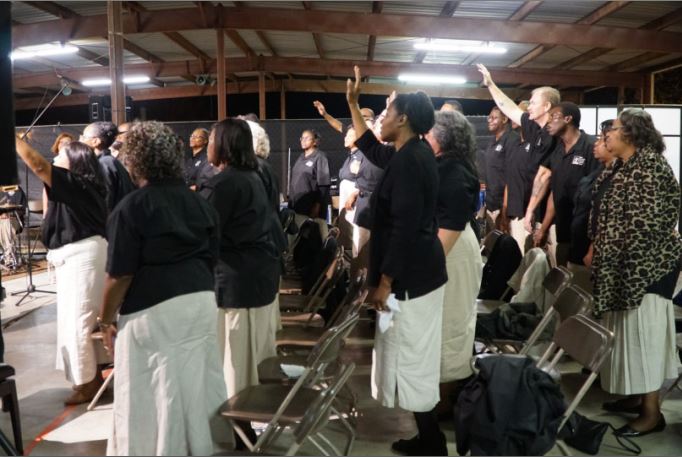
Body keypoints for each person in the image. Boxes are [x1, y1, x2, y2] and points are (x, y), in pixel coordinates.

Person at [97, 121, 228, 455]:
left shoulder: (132, 207)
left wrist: (104, 319)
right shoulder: (201, 203)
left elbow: (120, 275)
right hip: (200, 301)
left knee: (153, 388)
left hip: (154, 310)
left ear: (134, 160)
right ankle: (198, 447)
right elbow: (213, 258)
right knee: (194, 384)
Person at [348, 66, 448, 455]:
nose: (381, 119)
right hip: (416, 274)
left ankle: (433, 442)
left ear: (403, 119)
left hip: (412, 278)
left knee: (413, 357)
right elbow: (370, 147)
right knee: (410, 355)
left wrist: (385, 281)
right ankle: (428, 437)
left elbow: (405, 228)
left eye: (387, 112)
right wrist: (353, 104)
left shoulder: (410, 161)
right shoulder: (408, 152)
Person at [592, 109, 681, 438]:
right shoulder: (622, 166)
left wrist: (622, 267)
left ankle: (651, 413)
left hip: (646, 270)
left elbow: (648, 227)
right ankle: (636, 395)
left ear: (630, 133)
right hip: (623, 267)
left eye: (614, 129)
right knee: (628, 335)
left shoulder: (650, 166)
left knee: (645, 336)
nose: (607, 134)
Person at [200, 118, 281, 448]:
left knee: (233, 361)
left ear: (224, 144)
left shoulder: (225, 183)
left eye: (211, 139)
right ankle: (241, 425)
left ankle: (238, 429)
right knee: (244, 361)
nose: (207, 145)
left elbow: (205, 233)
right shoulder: (250, 176)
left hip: (236, 284)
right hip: (254, 277)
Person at [15, 136, 107, 405]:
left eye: (61, 155)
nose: (54, 159)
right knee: (75, 321)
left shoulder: (78, 183)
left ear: (75, 162)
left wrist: (13, 137)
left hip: (82, 257)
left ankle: (87, 383)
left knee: (79, 321)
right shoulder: (77, 186)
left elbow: (38, 165)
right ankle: (88, 377)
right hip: (76, 257)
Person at [423, 110, 483, 437]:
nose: (424, 136)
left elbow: (452, 219)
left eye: (429, 132)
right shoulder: (447, 164)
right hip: (448, 244)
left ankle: (446, 401)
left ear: (443, 136)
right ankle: (442, 399)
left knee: (451, 322)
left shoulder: (453, 169)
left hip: (453, 248)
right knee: (444, 321)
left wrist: (430, 259)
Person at [478, 64, 560, 263]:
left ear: (546, 107)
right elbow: (510, 108)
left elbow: (545, 177)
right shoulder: (534, 128)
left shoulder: (553, 135)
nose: (528, 106)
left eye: (533, 103)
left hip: (548, 217)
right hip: (528, 213)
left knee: (549, 265)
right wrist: (491, 85)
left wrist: (531, 210)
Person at [533, 102, 598, 267]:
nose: (548, 122)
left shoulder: (592, 147)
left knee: (581, 279)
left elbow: (599, 197)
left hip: (586, 235)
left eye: (553, 117)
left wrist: (594, 243)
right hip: (563, 231)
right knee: (561, 274)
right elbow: (556, 193)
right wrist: (543, 228)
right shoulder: (557, 151)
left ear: (568, 119)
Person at [571, 119, 616, 293]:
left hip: (595, 252)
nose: (596, 144)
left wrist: (593, 248)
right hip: (578, 244)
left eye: (602, 139)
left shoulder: (618, 177)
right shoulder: (599, 172)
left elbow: (606, 218)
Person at [341, 125, 384, 270]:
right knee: (358, 245)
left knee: (366, 248)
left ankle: (363, 277)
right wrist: (355, 193)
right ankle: (356, 277)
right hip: (362, 203)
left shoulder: (388, 152)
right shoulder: (370, 152)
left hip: (374, 205)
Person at [499, 101, 533, 253]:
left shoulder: (536, 146)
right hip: (514, 213)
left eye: (518, 113)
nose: (513, 116)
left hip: (528, 215)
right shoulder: (514, 145)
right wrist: (505, 208)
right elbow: (510, 180)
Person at [80, 121, 136, 212]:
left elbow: (106, 202)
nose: (80, 140)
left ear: (96, 141)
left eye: (84, 137)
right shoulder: (109, 161)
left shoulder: (104, 164)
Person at [288, 128, 331, 235]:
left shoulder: (320, 157)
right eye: (302, 138)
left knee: (312, 238)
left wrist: (317, 206)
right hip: (297, 207)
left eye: (307, 138)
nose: (303, 140)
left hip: (311, 208)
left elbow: (323, 185)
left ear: (315, 141)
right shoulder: (301, 157)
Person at [482, 106, 518, 227]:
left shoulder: (512, 139)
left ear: (504, 119)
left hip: (505, 206)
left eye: (494, 118)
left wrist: (505, 207)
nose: (490, 120)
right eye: (489, 117)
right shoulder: (492, 141)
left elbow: (513, 176)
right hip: (491, 204)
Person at [0, 186, 26, 270]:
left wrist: (9, 214)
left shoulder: (17, 189)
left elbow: (22, 210)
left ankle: (9, 258)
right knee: (3, 223)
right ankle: (8, 255)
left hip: (15, 220)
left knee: (6, 223)